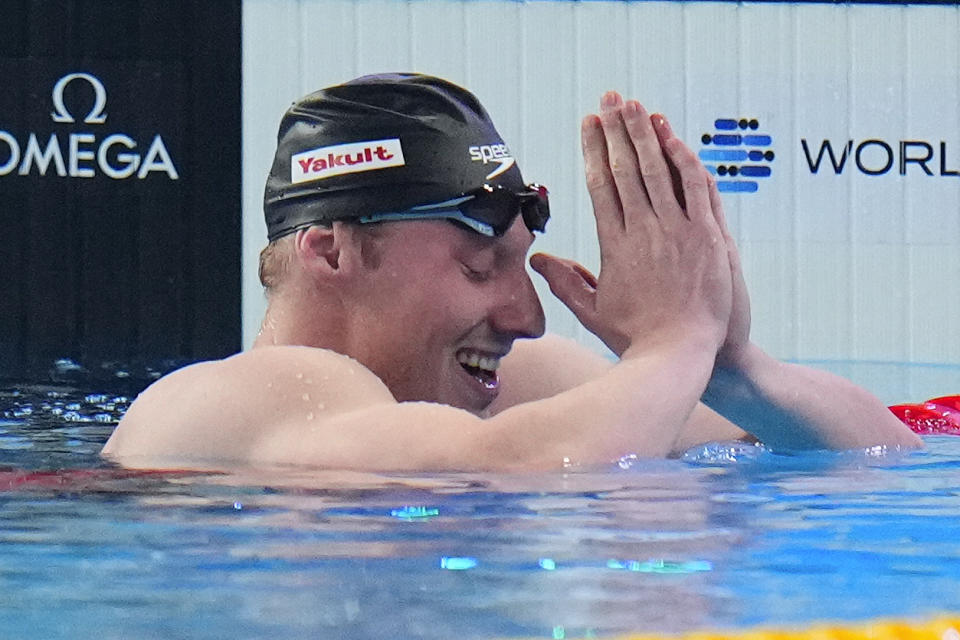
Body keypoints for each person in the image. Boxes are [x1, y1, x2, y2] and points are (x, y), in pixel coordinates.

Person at [102, 73, 920, 471]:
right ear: (333, 252)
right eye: (477, 266)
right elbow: (503, 475)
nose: (527, 317)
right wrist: (672, 347)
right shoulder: (240, 396)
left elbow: (879, 459)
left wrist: (736, 372)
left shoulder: (526, 393)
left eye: (521, 268)